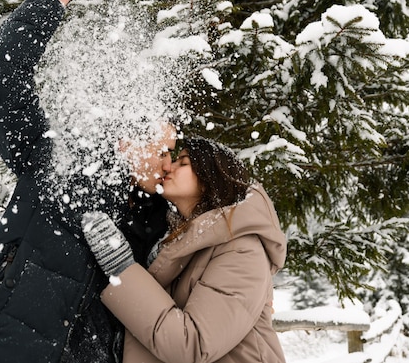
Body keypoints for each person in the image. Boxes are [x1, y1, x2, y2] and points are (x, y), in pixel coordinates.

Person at [0, 0, 174, 363]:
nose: (165, 163)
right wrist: (47, 5)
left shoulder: (162, 223)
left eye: (171, 153)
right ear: (128, 138)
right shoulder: (58, 160)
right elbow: (0, 79)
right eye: (157, 146)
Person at [83, 137, 288, 363]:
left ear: (209, 177)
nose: (169, 166)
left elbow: (192, 346)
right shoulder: (183, 241)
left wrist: (123, 270)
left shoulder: (242, 250)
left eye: (183, 162)